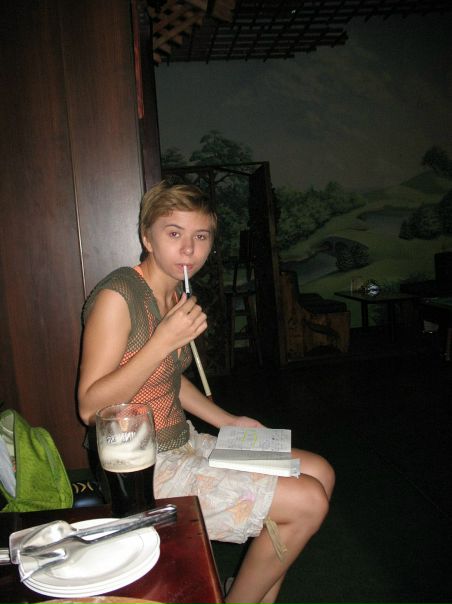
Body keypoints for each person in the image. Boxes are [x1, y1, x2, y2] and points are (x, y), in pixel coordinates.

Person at [78, 180, 335, 604]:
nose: (188, 249)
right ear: (147, 237)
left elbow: (169, 379)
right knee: (307, 501)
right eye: (173, 233)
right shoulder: (118, 297)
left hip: (185, 442)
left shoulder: (175, 294)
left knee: (320, 472)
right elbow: (91, 407)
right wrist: (163, 340)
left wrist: (229, 422)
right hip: (141, 468)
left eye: (201, 236)